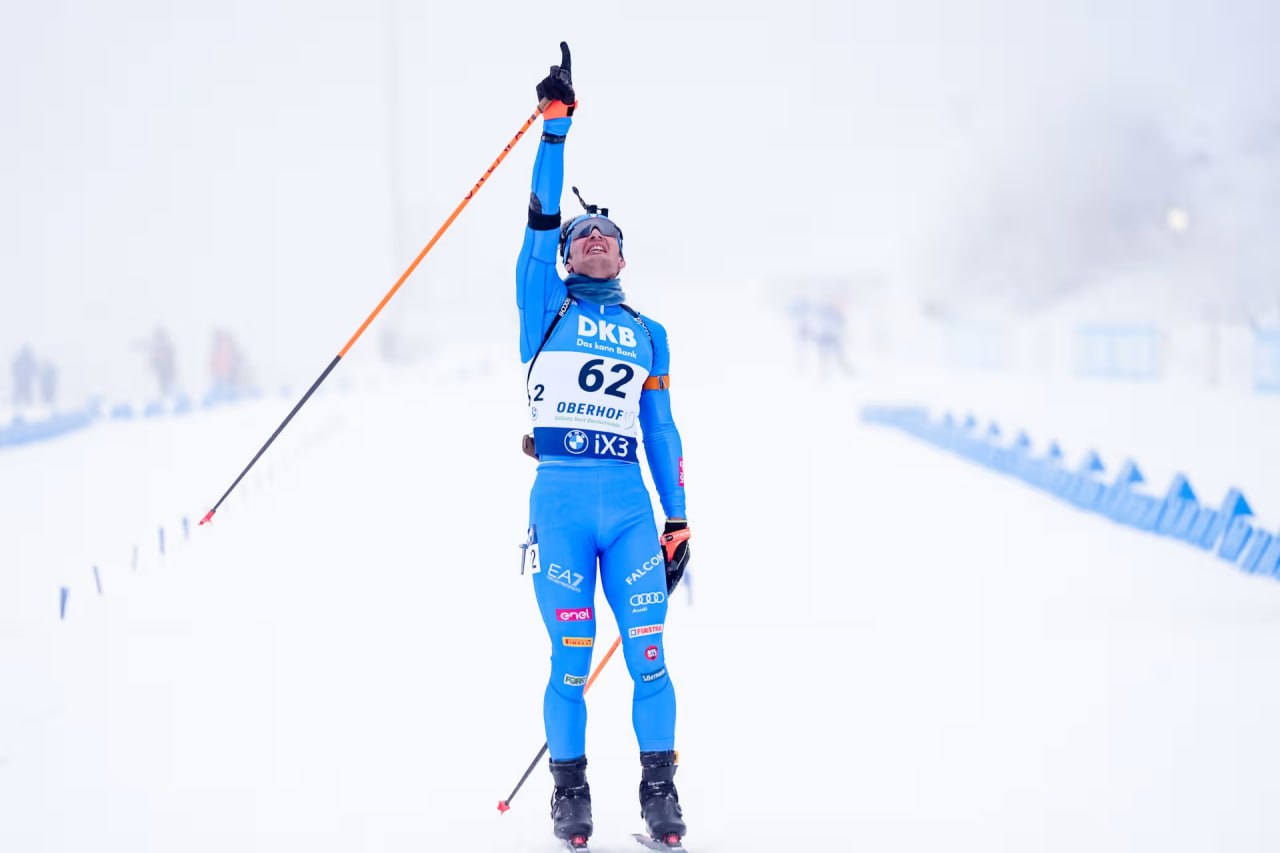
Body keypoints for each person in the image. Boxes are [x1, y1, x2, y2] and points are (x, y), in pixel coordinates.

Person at [515, 42, 692, 850]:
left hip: (628, 510)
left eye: (606, 233)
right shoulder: (543, 305)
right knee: (572, 659)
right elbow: (540, 216)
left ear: (623, 254)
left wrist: (677, 516)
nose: (592, 238)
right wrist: (555, 129)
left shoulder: (649, 332)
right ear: (565, 255)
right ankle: (570, 792)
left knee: (649, 653)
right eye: (581, 233)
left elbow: (661, 430)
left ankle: (659, 790)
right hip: (560, 503)